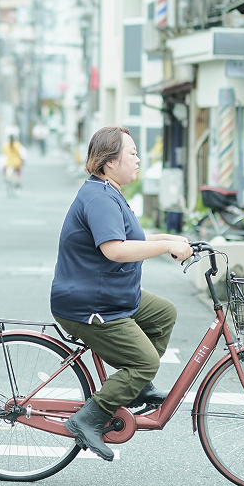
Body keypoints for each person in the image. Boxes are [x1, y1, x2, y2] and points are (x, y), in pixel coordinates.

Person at [50, 126, 193, 462]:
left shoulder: (107, 191)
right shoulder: (99, 197)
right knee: (144, 360)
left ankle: (136, 387)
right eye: (132, 153)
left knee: (163, 313)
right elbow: (115, 249)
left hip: (110, 294)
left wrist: (174, 240)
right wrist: (164, 247)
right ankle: (89, 419)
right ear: (109, 162)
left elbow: (134, 237)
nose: (138, 159)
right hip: (89, 303)